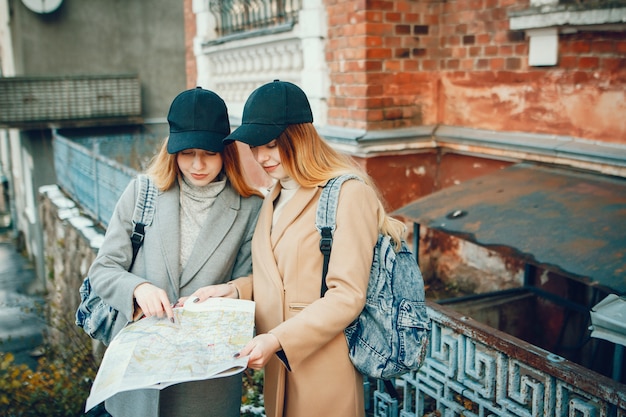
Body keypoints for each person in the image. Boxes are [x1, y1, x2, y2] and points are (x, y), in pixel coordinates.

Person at [197, 80, 407, 417]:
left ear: (299, 136)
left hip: (323, 367)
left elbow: (347, 295)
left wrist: (277, 340)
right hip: (278, 364)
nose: (261, 157)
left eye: (270, 144)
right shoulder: (276, 194)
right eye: (253, 146)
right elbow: (280, 277)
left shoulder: (347, 193)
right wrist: (233, 291)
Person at [87, 87, 264, 417]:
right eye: (187, 153)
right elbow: (103, 268)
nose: (197, 165)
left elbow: (251, 284)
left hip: (206, 387)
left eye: (208, 154)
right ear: (172, 151)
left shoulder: (251, 207)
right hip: (136, 382)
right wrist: (137, 289)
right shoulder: (143, 192)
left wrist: (227, 297)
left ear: (226, 152)